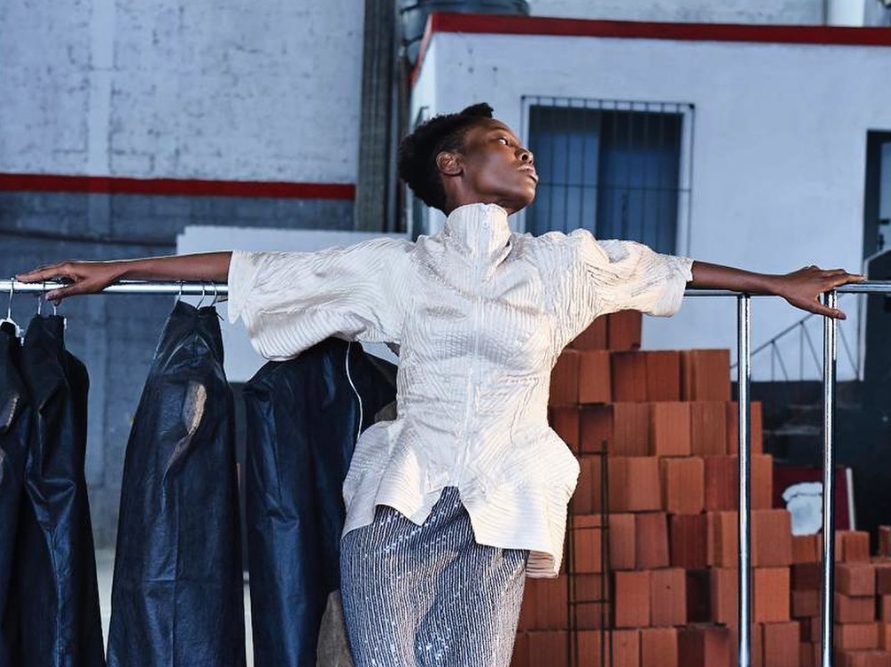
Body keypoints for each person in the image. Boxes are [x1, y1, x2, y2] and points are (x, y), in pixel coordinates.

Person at [18, 102, 863, 667]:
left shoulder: (562, 265)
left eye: (523, 145)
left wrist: (776, 281)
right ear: (452, 165)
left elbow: (667, 271)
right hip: (397, 513)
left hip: (499, 518)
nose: (525, 153)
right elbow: (261, 269)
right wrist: (120, 266)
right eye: (503, 141)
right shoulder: (398, 268)